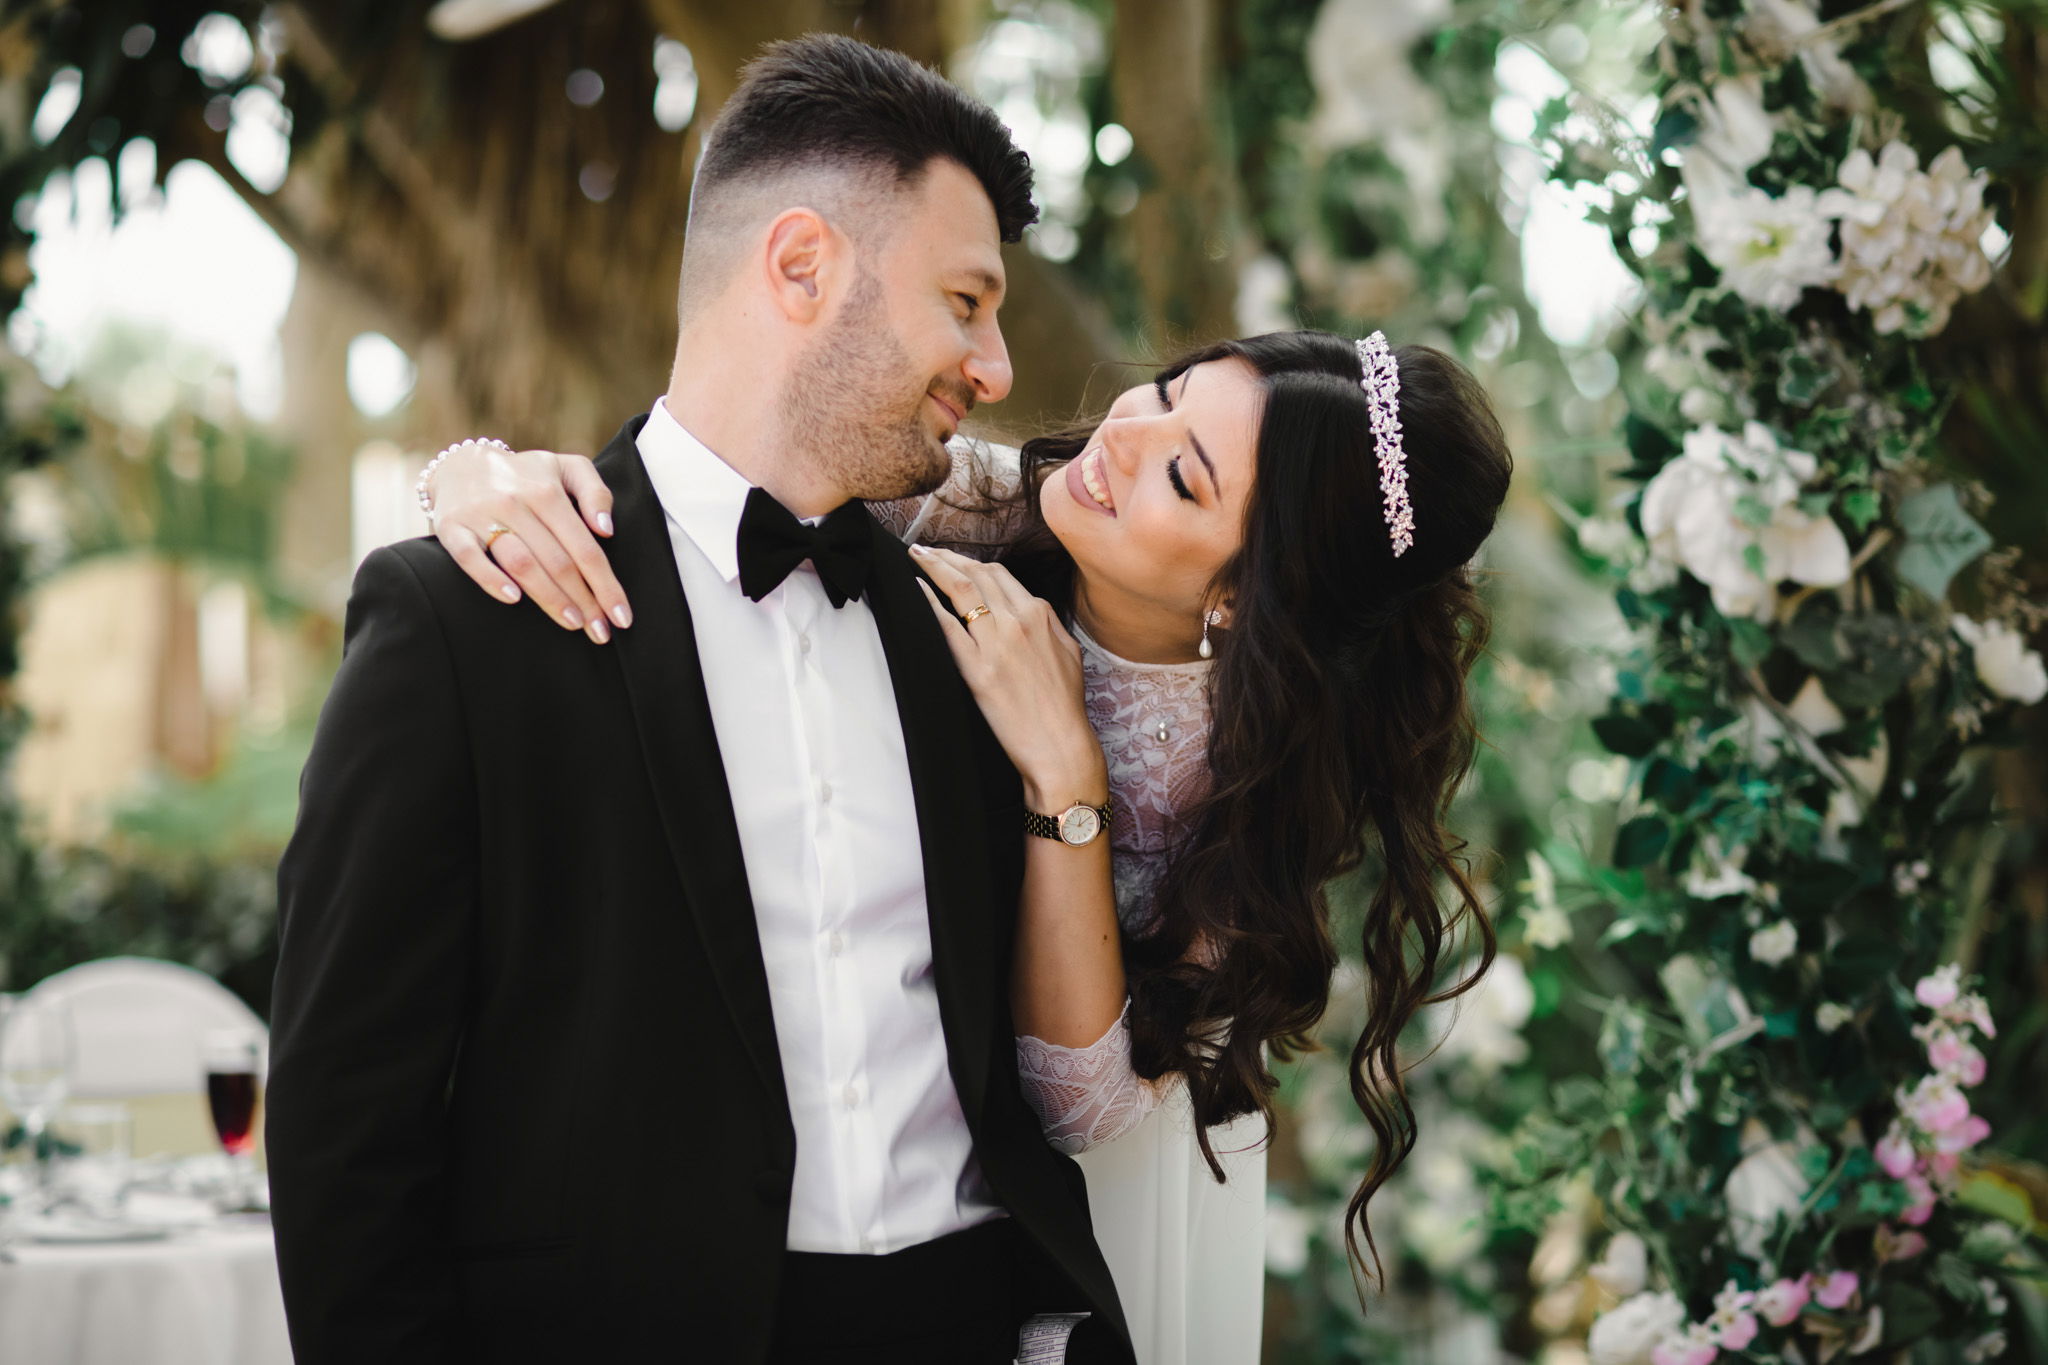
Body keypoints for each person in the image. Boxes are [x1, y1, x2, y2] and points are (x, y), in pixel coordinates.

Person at [267, 35, 1134, 1365]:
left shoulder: (977, 619)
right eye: (966, 301)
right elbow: (344, 1123)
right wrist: (464, 476)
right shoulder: (461, 620)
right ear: (801, 266)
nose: (998, 365)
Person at [427, 321, 1515, 1361]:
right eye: (1168, 393)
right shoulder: (979, 502)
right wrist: (479, 479)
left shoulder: (1252, 782)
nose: (1119, 440)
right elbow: (708, 501)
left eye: (1183, 477)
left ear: (1241, 592)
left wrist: (1064, 775)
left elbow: (1082, 1103)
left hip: (1088, 1207)